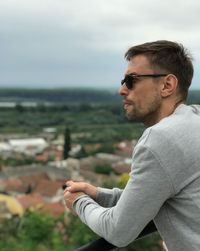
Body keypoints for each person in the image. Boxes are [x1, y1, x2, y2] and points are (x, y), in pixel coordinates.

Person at [64, 40, 200, 251]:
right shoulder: (193, 120)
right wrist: (99, 194)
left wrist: (79, 202)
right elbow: (151, 194)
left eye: (131, 80)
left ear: (167, 85)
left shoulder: (160, 140)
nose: (122, 90)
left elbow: (118, 231)